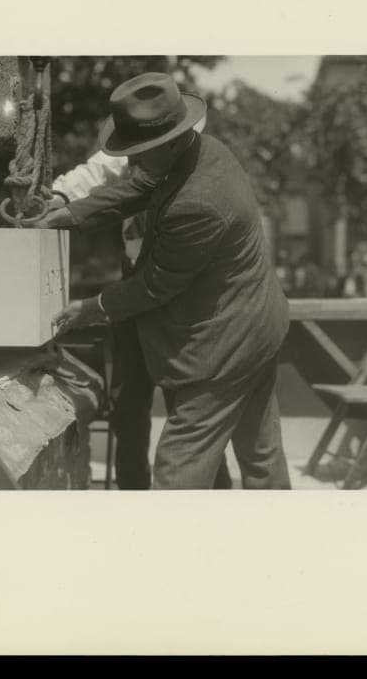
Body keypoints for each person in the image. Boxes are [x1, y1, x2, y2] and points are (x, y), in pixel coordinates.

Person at [40, 72, 292, 490]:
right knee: (261, 456)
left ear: (172, 141)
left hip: (227, 345)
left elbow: (155, 285)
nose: (131, 163)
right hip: (258, 325)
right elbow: (141, 186)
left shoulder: (197, 204)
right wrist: (69, 213)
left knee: (178, 472)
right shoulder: (202, 150)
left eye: (139, 154)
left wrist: (89, 309)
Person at [46, 115, 232, 490]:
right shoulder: (132, 156)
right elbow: (96, 173)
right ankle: (133, 494)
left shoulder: (196, 167)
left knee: (189, 403)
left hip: (180, 294)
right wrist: (56, 197)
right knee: (128, 402)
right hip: (134, 283)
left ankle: (216, 492)